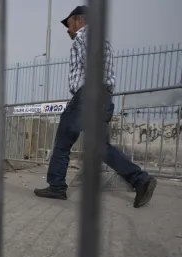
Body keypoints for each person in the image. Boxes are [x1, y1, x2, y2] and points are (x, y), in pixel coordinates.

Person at [33, 5, 157, 208]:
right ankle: (141, 180)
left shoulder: (85, 37)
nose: (68, 28)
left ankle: (56, 186)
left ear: (80, 20)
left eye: (70, 23)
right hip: (103, 97)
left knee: (63, 141)